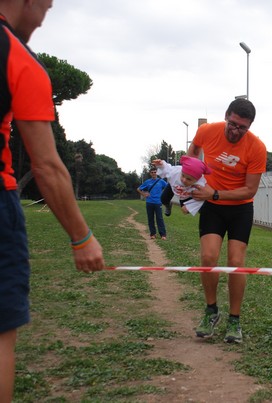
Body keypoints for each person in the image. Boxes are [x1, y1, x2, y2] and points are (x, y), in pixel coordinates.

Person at [0, 1, 105, 401]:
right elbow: (47, 165)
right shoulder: (17, 58)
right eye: (46, 3)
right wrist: (81, 238)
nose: (46, 13)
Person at [187, 98, 267, 344]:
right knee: (209, 258)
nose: (235, 130)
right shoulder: (206, 131)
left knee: (236, 261)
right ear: (226, 116)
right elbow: (191, 156)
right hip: (212, 207)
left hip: (240, 209)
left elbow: (250, 190)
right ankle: (211, 311)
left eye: (242, 127)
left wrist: (216, 193)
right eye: (232, 124)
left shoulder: (256, 147)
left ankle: (234, 319)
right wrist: (188, 178)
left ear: (250, 126)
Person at [137, 168, 168, 240]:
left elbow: (167, 188)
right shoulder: (147, 182)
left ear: (157, 173)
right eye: (152, 172)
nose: (154, 173)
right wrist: (144, 194)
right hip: (149, 202)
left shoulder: (161, 181)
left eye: (155, 172)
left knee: (159, 219)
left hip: (158, 202)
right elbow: (138, 189)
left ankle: (163, 235)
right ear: (150, 174)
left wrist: (164, 196)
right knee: (150, 219)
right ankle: (152, 234)